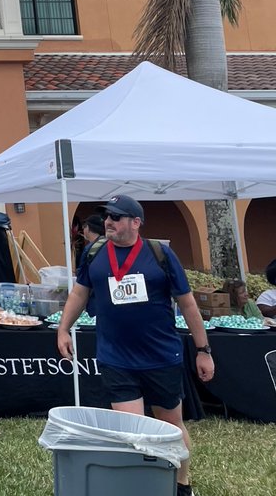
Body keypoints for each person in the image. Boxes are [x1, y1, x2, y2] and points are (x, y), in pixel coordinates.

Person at [57, 195, 213, 496]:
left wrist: (203, 351)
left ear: (136, 222)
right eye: (107, 217)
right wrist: (64, 328)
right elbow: (79, 294)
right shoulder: (94, 252)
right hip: (116, 358)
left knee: (171, 427)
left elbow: (189, 305)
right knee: (132, 430)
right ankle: (142, 484)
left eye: (116, 217)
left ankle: (182, 485)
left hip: (161, 356)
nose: (108, 222)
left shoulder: (160, 254)